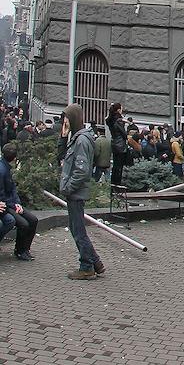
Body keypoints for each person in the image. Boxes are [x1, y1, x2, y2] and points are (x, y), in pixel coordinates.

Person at [60, 104, 103, 280]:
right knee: (76, 228)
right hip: (75, 192)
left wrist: (68, 188)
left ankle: (87, 267)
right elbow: (62, 157)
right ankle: (96, 262)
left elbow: (81, 170)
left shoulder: (81, 140)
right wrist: (63, 137)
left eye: (67, 118)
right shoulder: (77, 138)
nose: (64, 122)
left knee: (78, 231)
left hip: (76, 192)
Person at [0, 142, 37, 260]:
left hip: (11, 203)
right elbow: (2, 195)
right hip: (6, 205)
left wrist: (17, 203)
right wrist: (14, 205)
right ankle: (20, 251)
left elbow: (12, 188)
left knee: (33, 220)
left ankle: (25, 249)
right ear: (14, 158)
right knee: (23, 224)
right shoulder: (2, 171)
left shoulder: (6, 168)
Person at [106, 103, 128, 186]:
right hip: (120, 145)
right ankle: (117, 185)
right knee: (119, 166)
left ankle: (113, 184)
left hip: (114, 143)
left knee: (115, 165)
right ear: (118, 110)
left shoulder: (111, 120)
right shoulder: (119, 120)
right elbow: (123, 134)